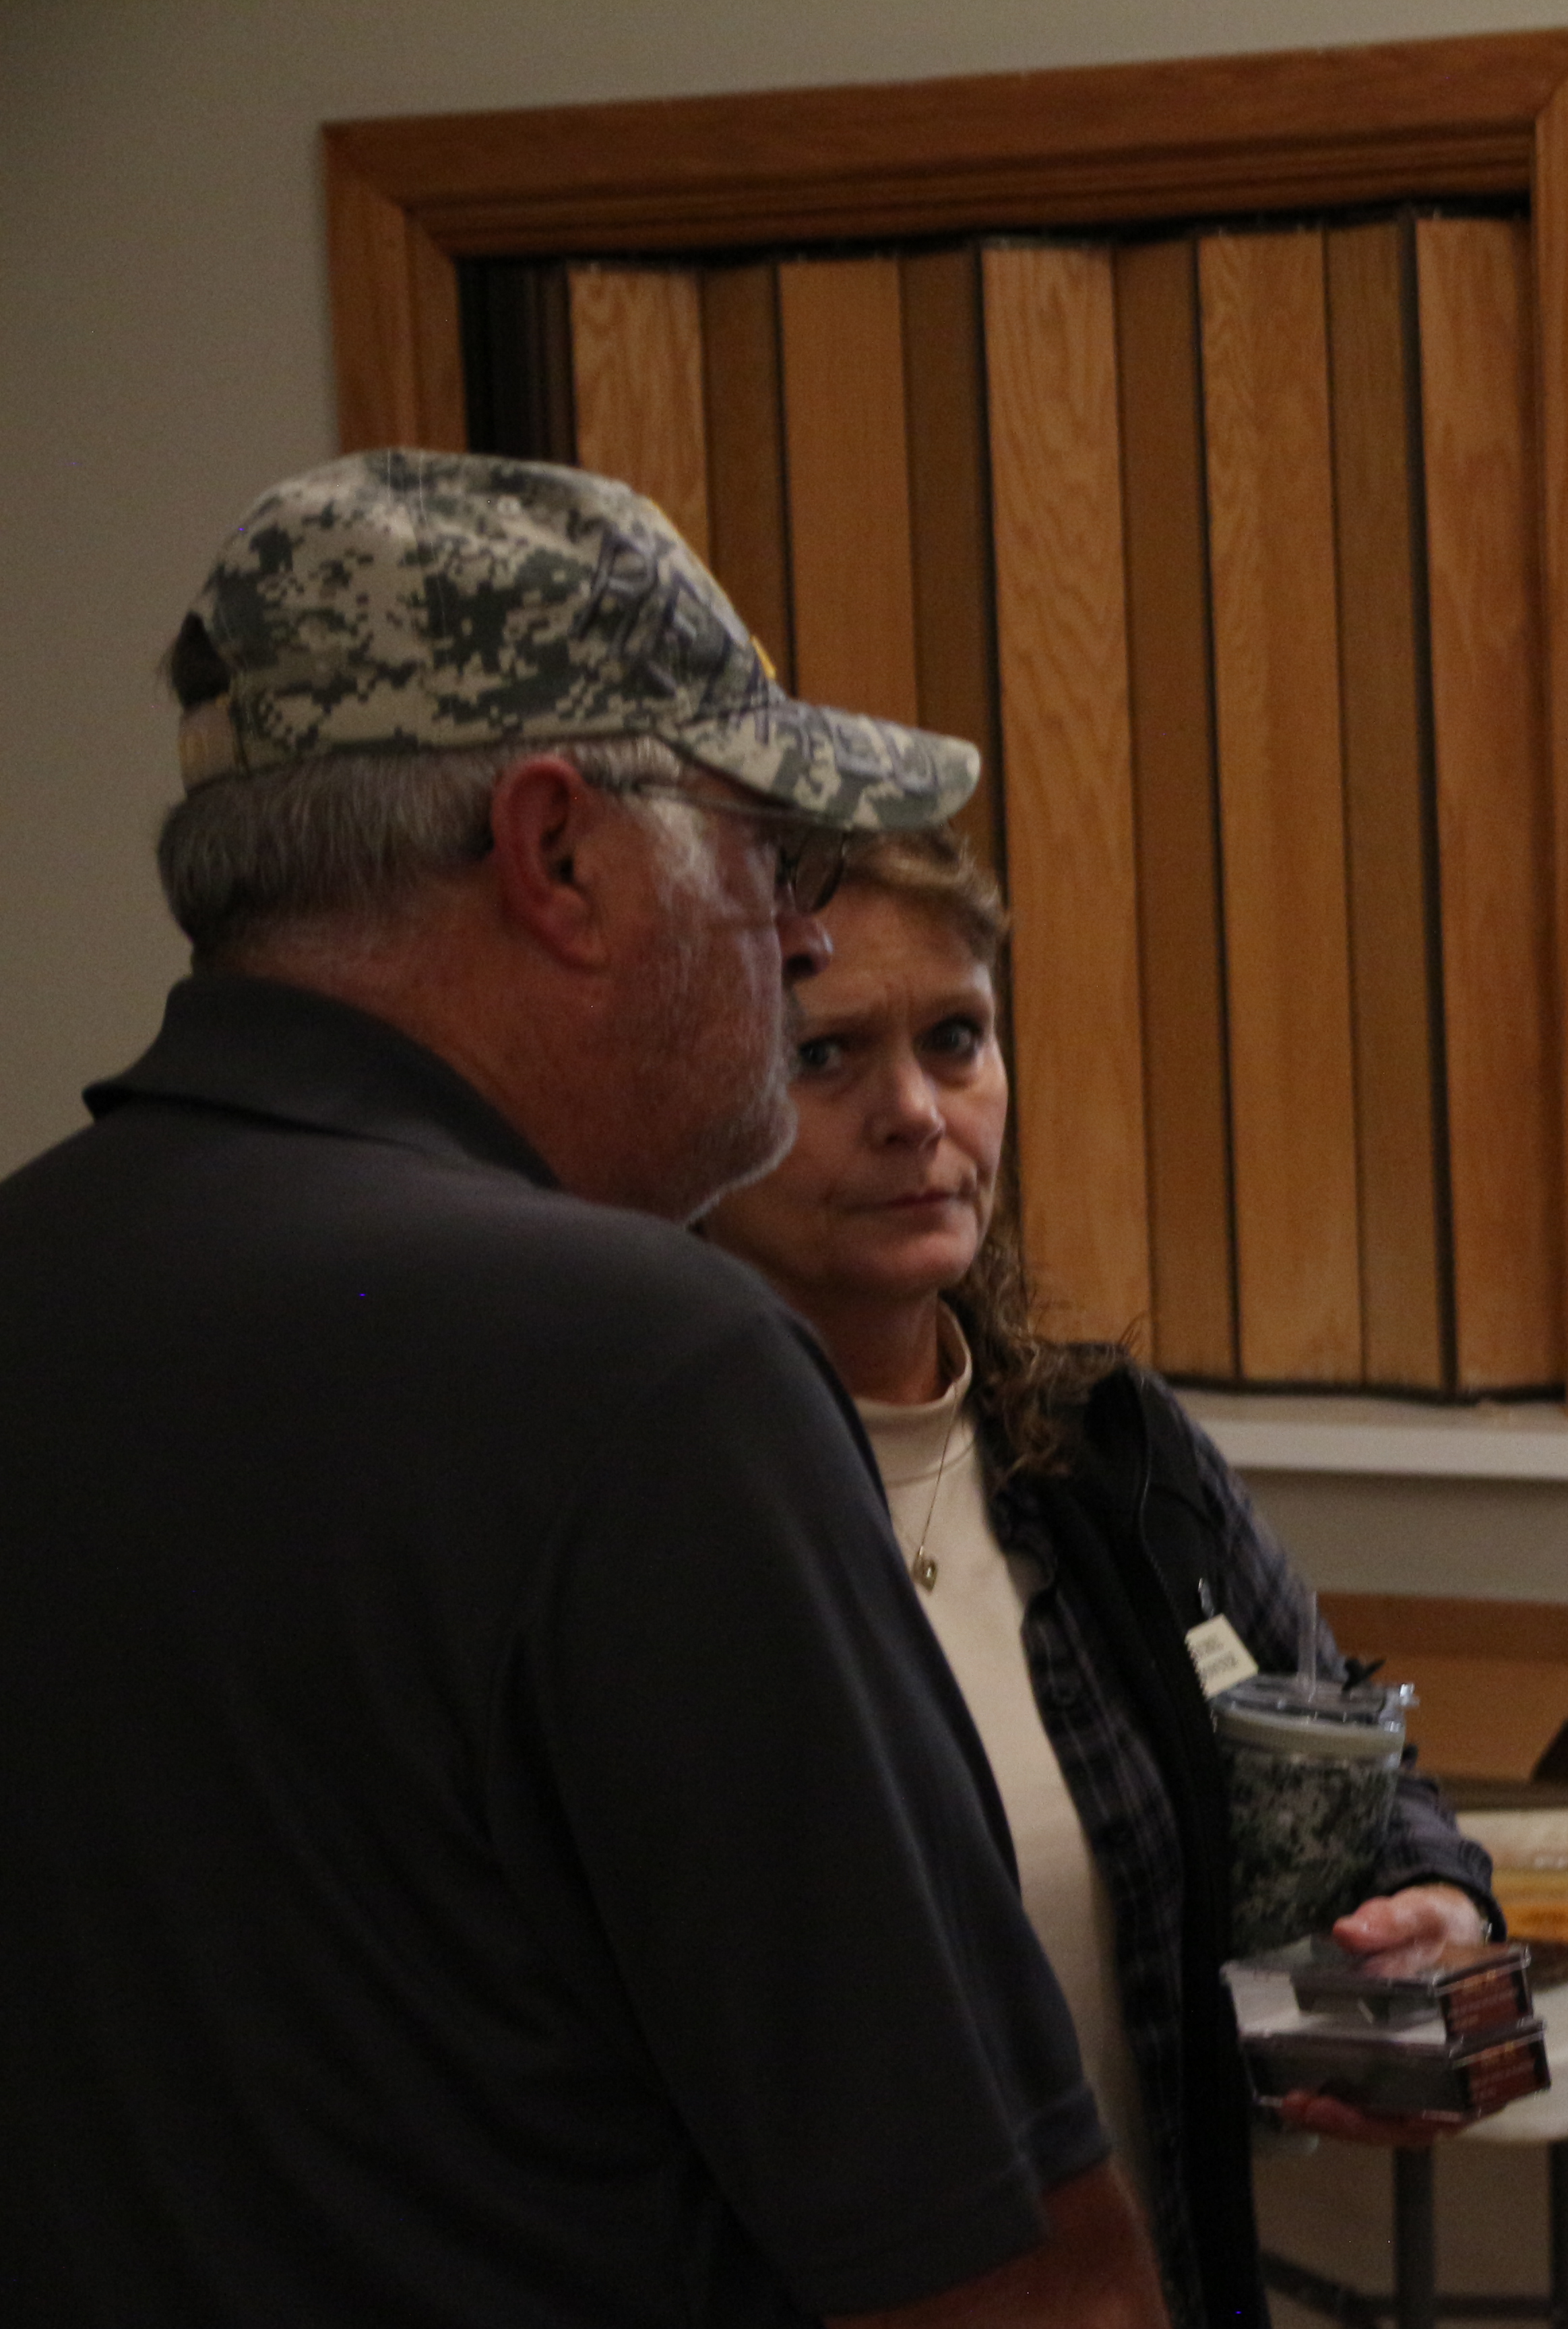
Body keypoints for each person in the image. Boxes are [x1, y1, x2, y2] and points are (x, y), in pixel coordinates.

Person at [0, 452, 1168, 2324]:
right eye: (770, 856)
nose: (801, 935)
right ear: (557, 854)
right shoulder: (645, 1373)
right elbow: (1002, 2282)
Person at [699, 824, 1499, 2328]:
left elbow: (1352, 1766)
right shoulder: (644, 1507)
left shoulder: (1110, 1454)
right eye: (824, 1057)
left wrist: (1434, 1917)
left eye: (956, 1039)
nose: (915, 1114)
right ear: (698, 1095)